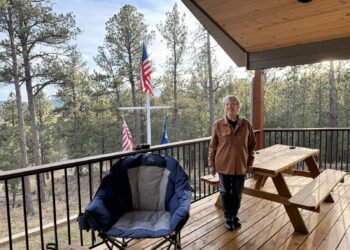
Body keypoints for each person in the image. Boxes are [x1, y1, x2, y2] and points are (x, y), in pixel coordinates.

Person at [208, 95, 256, 231]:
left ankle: (234, 215)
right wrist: (211, 164)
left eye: (233, 104)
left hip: (241, 165)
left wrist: (250, 163)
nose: (230, 106)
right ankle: (228, 217)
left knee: (237, 193)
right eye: (227, 104)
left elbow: (252, 145)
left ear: (238, 106)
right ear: (224, 107)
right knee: (224, 192)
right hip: (223, 165)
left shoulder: (246, 124)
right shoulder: (218, 124)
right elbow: (212, 146)